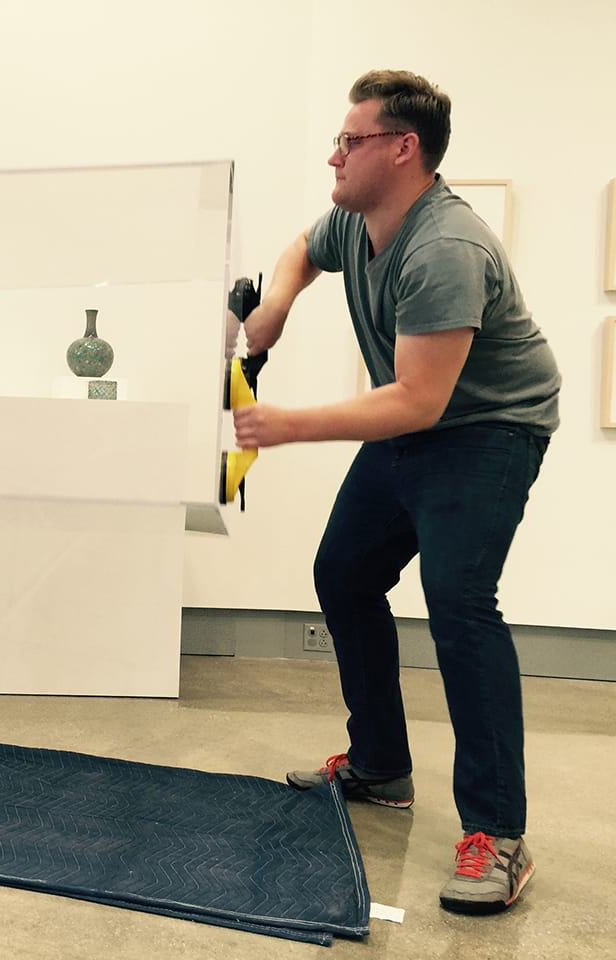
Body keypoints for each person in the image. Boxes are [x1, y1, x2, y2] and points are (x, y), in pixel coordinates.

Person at [234, 71, 560, 916]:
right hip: (415, 426)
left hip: (488, 430)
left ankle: (500, 836)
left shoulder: (446, 248)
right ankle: (381, 765)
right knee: (343, 573)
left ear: (403, 148)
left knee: (458, 601)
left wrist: (284, 424)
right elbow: (303, 248)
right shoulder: (357, 217)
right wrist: (274, 309)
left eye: (352, 140)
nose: (334, 153)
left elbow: (418, 399)